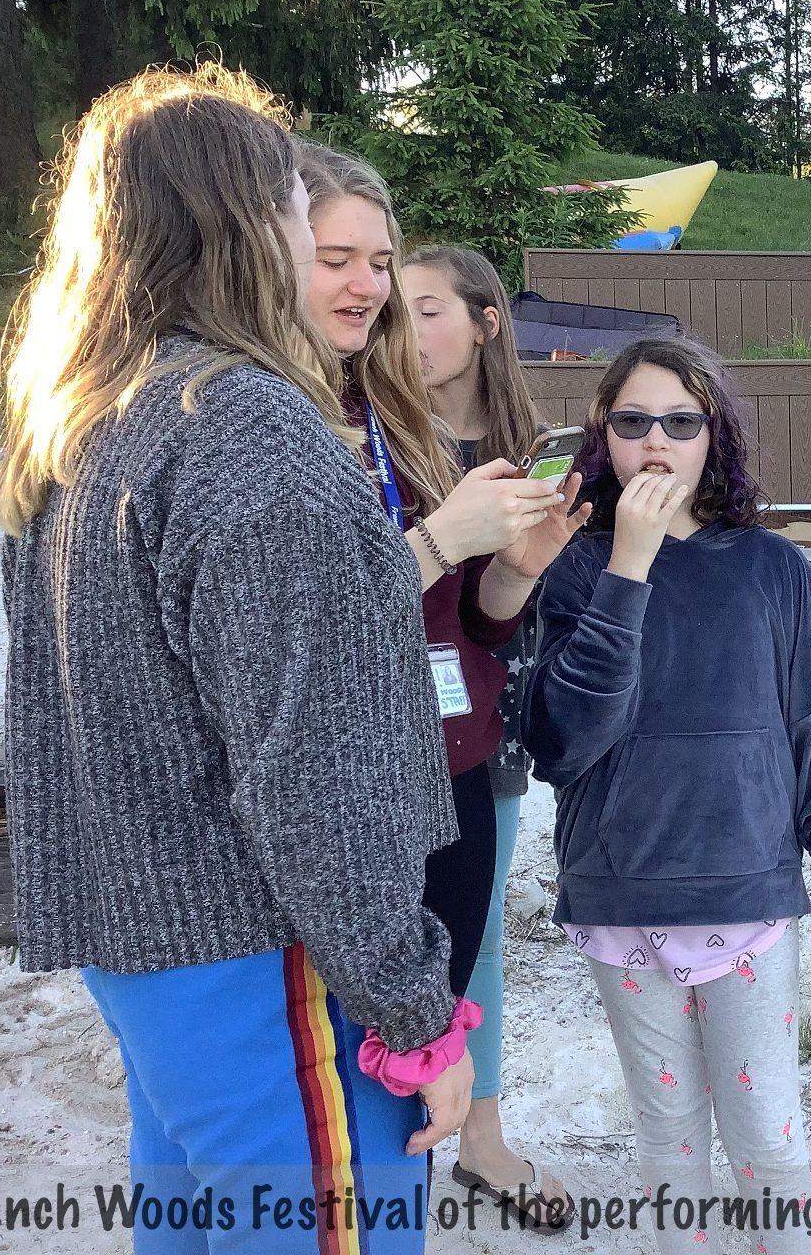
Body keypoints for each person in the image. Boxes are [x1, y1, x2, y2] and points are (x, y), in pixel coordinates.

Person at [0, 66, 471, 1253]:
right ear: (252, 225)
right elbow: (316, 777)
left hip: (156, 964)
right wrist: (418, 1014)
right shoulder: (245, 430)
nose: (317, 243)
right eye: (302, 216)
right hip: (267, 963)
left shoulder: (93, 419)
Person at [525, 336, 811, 1255]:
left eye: (681, 422)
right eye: (633, 420)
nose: (657, 441)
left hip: (746, 897)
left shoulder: (773, 568)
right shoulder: (571, 567)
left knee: (767, 1139)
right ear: (603, 436)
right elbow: (562, 742)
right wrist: (628, 567)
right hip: (622, 895)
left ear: (713, 435)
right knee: (669, 1138)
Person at [296, 144, 577, 1022]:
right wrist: (440, 538)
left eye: (379, 262)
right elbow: (299, 627)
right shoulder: (270, 421)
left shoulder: (396, 417)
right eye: (336, 259)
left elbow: (474, 627)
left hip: (453, 757)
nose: (366, 286)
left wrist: (514, 571)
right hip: (346, 782)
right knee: (351, 1050)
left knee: (438, 1028)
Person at [404, 243, 581, 1227]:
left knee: (475, 935)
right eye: (397, 309)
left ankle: (481, 1137)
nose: (407, 329)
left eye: (428, 308)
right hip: (392, 725)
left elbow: (513, 603)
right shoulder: (380, 432)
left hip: (492, 717)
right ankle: (397, 1129)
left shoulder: (528, 441)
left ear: (486, 322)